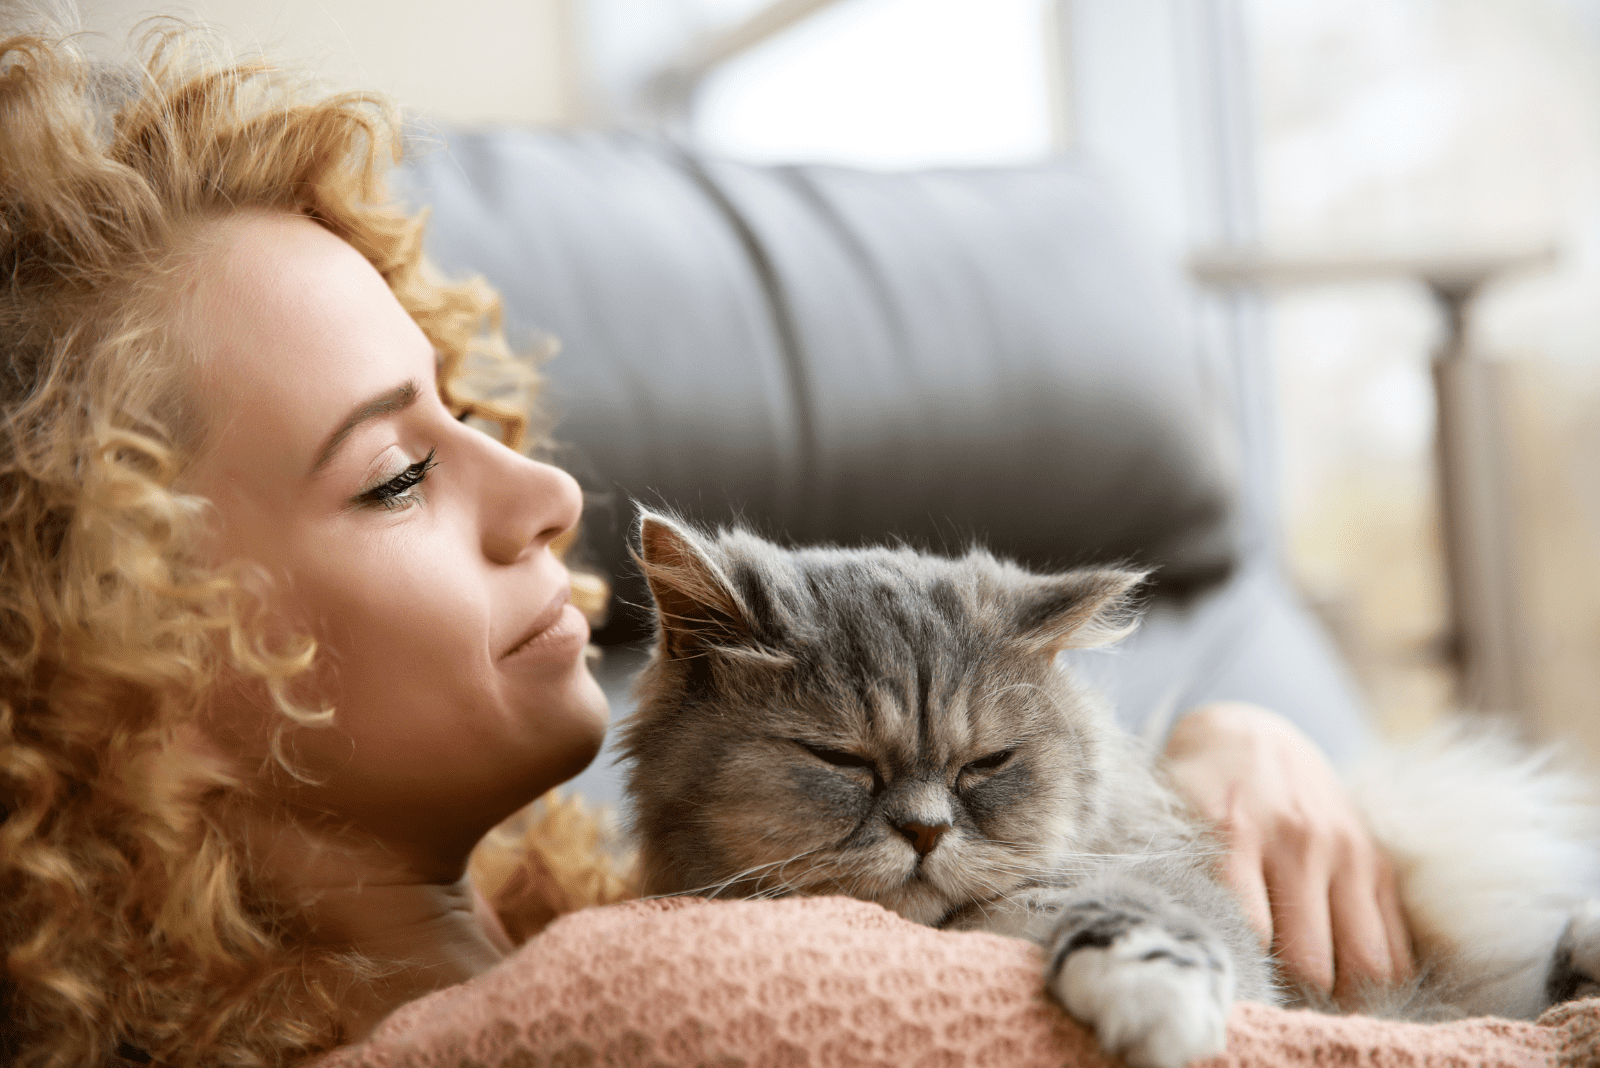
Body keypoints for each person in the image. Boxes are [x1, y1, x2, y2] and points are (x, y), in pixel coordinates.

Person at [0, 22, 1410, 1066]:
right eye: (395, 476)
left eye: (475, 408)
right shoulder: (648, 1009)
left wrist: (1190, 788)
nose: (545, 492)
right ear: (133, 673)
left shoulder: (592, 921)